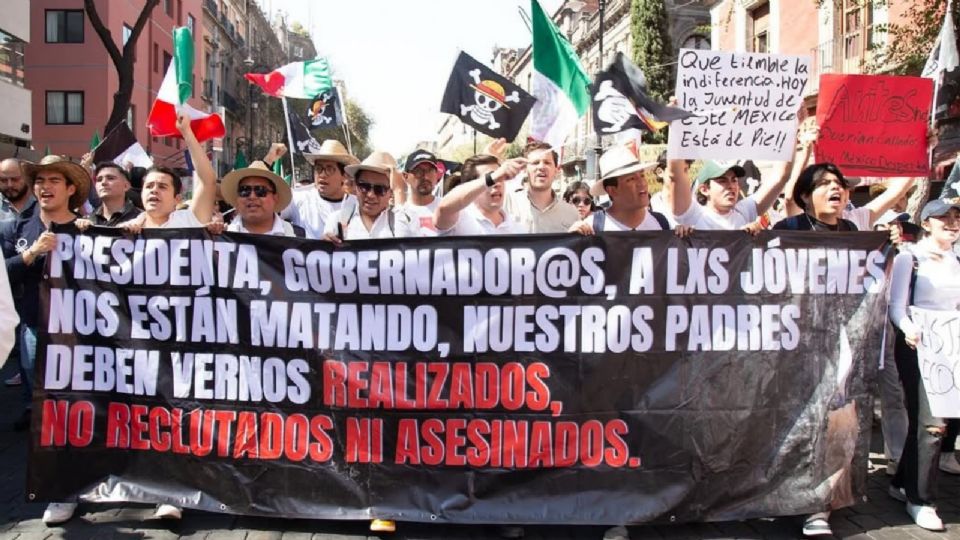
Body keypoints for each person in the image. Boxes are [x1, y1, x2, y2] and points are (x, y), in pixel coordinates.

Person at [886, 199, 960, 532]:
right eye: (943, 217)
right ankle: (921, 500)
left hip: (951, 346)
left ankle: (902, 481)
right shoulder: (909, 258)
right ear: (927, 223)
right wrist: (909, 328)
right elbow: (896, 306)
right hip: (920, 347)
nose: (952, 222)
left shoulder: (957, 259)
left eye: (956, 217)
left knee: (926, 420)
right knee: (932, 423)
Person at [568, 144, 674, 234]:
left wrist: (686, 239)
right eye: (631, 179)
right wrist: (571, 240)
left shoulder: (661, 223)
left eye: (642, 175)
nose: (641, 183)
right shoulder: (592, 228)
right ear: (612, 190)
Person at [664, 155, 789, 231]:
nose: (731, 186)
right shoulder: (693, 216)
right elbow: (675, 174)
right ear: (704, 189)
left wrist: (792, 129)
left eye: (734, 180)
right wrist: (675, 121)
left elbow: (780, 177)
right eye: (722, 180)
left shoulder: (744, 212)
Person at [434, 154, 527, 236]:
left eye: (501, 177)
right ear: (472, 186)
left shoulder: (518, 230)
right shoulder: (458, 221)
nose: (497, 183)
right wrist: (492, 178)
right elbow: (444, 208)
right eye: (493, 179)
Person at [323, 151, 406, 243]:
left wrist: (399, 191)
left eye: (380, 189)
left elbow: (407, 247)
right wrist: (325, 247)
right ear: (355, 186)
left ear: (390, 192)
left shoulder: (400, 220)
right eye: (364, 187)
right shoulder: (336, 220)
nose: (371, 195)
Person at [285, 139, 359, 239]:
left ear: (344, 176)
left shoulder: (357, 207)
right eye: (318, 169)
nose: (322, 175)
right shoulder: (298, 199)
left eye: (329, 169)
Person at [502, 141, 579, 233]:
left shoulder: (571, 213)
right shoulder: (506, 204)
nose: (541, 167)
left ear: (556, 170)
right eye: (535, 163)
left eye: (547, 162)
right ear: (525, 169)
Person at [218, 161, 300, 236]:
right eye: (245, 190)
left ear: (275, 198)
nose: (252, 196)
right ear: (237, 198)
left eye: (260, 191)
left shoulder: (298, 236)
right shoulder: (220, 238)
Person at [396, 149, 442, 236]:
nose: (425, 177)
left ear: (437, 175)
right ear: (405, 176)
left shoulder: (447, 207)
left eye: (430, 171)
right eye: (418, 171)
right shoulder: (400, 213)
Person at [0, 158, 36, 225]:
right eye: (3, 180)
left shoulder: (42, 203)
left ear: (27, 178)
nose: (9, 185)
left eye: (15, 179)